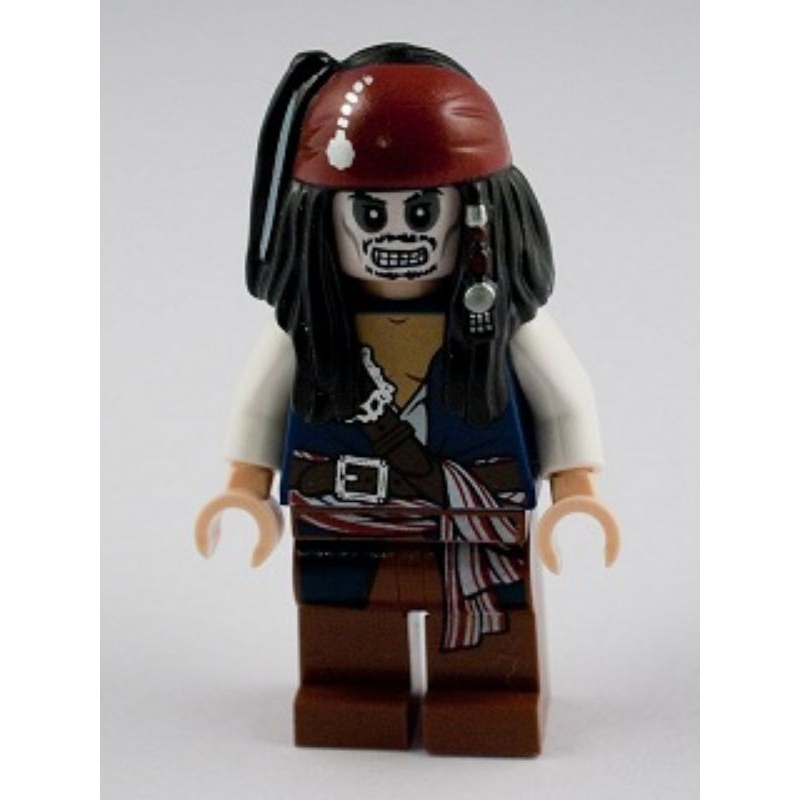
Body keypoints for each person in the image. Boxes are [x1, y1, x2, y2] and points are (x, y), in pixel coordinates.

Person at [195, 43, 619, 757]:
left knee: (484, 615)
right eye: (369, 212)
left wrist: (576, 493)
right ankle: (351, 693)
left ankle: (487, 695)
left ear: (478, 215)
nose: (397, 235)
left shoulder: (502, 327)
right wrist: (245, 490)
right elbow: (261, 405)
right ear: (319, 218)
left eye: (422, 211)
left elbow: (564, 401)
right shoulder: (311, 332)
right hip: (341, 517)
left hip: (475, 519)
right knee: (341, 613)